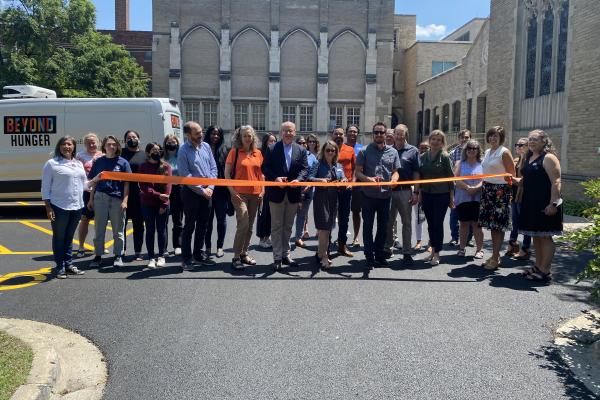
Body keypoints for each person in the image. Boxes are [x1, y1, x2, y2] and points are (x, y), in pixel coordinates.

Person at [262, 121, 309, 271]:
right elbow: (265, 167)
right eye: (285, 131)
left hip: (293, 194)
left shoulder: (301, 150)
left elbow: (305, 169)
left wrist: (299, 180)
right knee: (276, 226)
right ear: (281, 132)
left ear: (295, 132)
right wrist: (275, 178)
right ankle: (277, 257)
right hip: (276, 194)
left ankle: (285, 254)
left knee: (288, 226)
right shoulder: (271, 148)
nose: (288, 133)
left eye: (291, 131)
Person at [518, 129, 563, 281]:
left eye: (535, 139)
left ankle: (545, 270)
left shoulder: (549, 157)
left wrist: (553, 204)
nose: (531, 142)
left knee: (545, 237)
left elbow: (556, 181)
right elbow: (530, 179)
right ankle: (538, 265)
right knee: (536, 236)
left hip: (546, 203)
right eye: (530, 139)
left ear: (544, 141)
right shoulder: (530, 156)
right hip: (531, 202)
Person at [355, 122, 401, 270]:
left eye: (382, 132)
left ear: (386, 134)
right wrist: (368, 179)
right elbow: (358, 172)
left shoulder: (393, 152)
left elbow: (395, 171)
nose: (379, 135)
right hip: (368, 195)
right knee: (368, 226)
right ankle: (369, 256)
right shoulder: (364, 151)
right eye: (376, 132)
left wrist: (395, 179)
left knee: (383, 227)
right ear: (373, 134)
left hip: (385, 196)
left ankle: (379, 255)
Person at [42, 136, 88, 278]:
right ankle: (60, 266)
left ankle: (69, 264)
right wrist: (48, 207)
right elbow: (45, 187)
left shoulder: (78, 164)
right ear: (59, 147)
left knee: (69, 237)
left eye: (69, 144)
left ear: (74, 147)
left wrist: (98, 178)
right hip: (59, 206)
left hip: (77, 205)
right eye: (63, 144)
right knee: (59, 237)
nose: (66, 147)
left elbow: (85, 185)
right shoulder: (52, 163)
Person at [177, 121, 217, 270]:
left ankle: (198, 254)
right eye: (197, 133)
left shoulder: (206, 146)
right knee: (189, 226)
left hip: (208, 192)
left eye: (201, 131)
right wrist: (202, 190)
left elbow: (213, 168)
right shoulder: (183, 150)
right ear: (188, 135)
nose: (201, 135)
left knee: (203, 225)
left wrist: (211, 188)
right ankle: (186, 259)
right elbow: (185, 175)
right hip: (191, 193)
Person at [88, 135, 131, 268]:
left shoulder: (123, 162)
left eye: (114, 144)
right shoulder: (98, 162)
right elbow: (94, 182)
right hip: (100, 197)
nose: (111, 147)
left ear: (118, 146)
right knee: (99, 229)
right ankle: (98, 255)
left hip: (117, 199)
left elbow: (126, 184)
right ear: (104, 146)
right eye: (108, 144)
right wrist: (91, 199)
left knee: (118, 230)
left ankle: (118, 255)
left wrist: (125, 201)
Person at [225, 125, 265, 270]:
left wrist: (262, 190)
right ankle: (236, 257)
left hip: (255, 194)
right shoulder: (234, 152)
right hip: (239, 194)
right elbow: (227, 174)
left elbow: (261, 174)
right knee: (243, 224)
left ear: (253, 136)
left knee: (250, 225)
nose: (247, 138)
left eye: (250, 135)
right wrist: (231, 191)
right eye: (244, 136)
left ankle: (244, 253)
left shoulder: (258, 153)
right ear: (239, 137)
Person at [478, 126, 515, 270]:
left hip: (500, 192)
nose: (493, 138)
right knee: (492, 226)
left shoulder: (504, 152)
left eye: (496, 136)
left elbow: (511, 175)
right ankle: (495, 256)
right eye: (491, 135)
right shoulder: (487, 152)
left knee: (498, 226)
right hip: (488, 190)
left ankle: (495, 257)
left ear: (501, 138)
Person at [384, 124, 420, 265]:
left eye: (401, 134)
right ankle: (388, 248)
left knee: (406, 223)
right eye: (396, 134)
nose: (398, 136)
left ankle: (406, 252)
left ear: (406, 134)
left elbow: (417, 172)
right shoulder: (388, 150)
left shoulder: (413, 150)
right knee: (389, 221)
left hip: (405, 191)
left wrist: (416, 192)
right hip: (389, 191)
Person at [418, 130, 454, 266]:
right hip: (427, 194)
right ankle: (432, 251)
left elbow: (451, 179)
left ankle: (437, 253)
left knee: (438, 224)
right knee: (430, 224)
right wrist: (420, 194)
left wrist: (451, 198)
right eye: (433, 139)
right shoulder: (423, 156)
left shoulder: (445, 157)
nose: (435, 142)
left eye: (439, 140)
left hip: (441, 195)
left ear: (442, 142)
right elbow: (420, 178)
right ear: (429, 140)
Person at [309, 140, 346, 269]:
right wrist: (320, 180)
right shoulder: (318, 164)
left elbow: (343, 178)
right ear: (323, 151)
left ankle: (320, 252)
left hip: (333, 200)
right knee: (324, 229)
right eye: (328, 150)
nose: (330, 152)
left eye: (333, 150)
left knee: (328, 228)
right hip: (321, 199)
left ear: (336, 152)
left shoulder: (338, 165)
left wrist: (344, 181)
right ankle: (324, 256)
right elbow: (310, 178)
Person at [139, 143, 172, 269]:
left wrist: (164, 202)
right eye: (153, 150)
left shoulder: (166, 166)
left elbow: (168, 186)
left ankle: (161, 256)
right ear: (148, 152)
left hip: (163, 204)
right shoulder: (143, 166)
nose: (156, 152)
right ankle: (151, 257)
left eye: (158, 150)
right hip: (147, 203)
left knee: (162, 230)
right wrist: (158, 195)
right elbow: (143, 186)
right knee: (150, 230)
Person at [453, 140, 484, 259]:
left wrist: (475, 188)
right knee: (464, 224)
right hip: (463, 198)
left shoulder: (482, 164)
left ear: (478, 150)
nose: (471, 150)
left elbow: (485, 179)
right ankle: (462, 248)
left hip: (478, 198)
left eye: (474, 148)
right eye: (469, 148)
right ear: (466, 150)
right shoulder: (459, 163)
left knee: (477, 225)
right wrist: (467, 188)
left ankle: (479, 250)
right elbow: (456, 179)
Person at [75, 133, 103, 257]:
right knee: (85, 219)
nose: (92, 145)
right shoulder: (80, 156)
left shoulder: (103, 155)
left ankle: (99, 245)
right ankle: (81, 246)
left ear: (98, 143)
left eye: (94, 142)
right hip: (86, 191)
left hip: (101, 190)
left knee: (100, 220)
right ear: (85, 144)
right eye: (89, 143)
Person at [204, 126, 229, 259]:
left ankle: (220, 246)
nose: (215, 136)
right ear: (208, 134)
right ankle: (207, 247)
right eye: (213, 134)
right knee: (207, 221)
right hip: (206, 189)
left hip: (221, 190)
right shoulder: (202, 148)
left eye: (218, 134)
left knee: (221, 220)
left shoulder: (225, 149)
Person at [121, 130, 146, 261]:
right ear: (125, 141)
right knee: (121, 224)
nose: (132, 139)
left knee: (138, 225)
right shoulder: (120, 154)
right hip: (122, 194)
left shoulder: (144, 155)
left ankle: (138, 251)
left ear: (139, 139)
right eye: (129, 137)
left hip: (139, 195)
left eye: (134, 137)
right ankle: (122, 250)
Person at [332, 127, 356, 257]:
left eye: (341, 134)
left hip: (345, 190)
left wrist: (352, 183)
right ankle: (326, 246)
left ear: (344, 136)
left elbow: (355, 170)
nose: (338, 136)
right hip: (330, 190)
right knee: (329, 218)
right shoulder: (328, 148)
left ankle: (342, 245)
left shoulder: (350, 149)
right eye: (336, 133)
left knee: (344, 218)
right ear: (332, 135)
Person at [507, 137, 532, 260]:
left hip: (525, 196)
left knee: (525, 223)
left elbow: (525, 180)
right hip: (514, 195)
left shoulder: (530, 161)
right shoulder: (515, 159)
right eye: (517, 145)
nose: (519, 147)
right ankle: (513, 244)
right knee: (515, 222)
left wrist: (513, 180)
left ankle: (525, 248)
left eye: (522, 145)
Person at [293, 135, 318, 248]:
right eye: (300, 143)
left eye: (304, 143)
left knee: (302, 215)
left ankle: (298, 237)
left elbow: (314, 173)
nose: (303, 145)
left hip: (308, 190)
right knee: (289, 215)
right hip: (294, 190)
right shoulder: (293, 155)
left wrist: (309, 183)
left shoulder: (312, 157)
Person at [448, 129, 472, 246]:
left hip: (471, 188)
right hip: (456, 188)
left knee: (471, 214)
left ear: (470, 139)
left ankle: (469, 238)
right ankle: (454, 237)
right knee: (454, 213)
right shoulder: (453, 153)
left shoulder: (475, 153)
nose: (464, 140)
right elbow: (450, 173)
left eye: (466, 137)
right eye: (462, 137)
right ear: (459, 139)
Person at [163, 134, 183, 255]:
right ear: (165, 144)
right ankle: (163, 248)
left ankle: (178, 245)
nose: (171, 144)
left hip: (178, 190)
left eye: (173, 142)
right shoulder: (161, 157)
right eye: (169, 142)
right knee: (163, 220)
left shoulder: (181, 156)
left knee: (178, 220)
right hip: (164, 191)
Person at [256, 133, 277, 248]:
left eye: (274, 141)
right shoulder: (260, 154)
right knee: (262, 213)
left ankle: (267, 237)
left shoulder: (276, 155)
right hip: (263, 188)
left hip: (273, 188)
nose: (273, 143)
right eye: (270, 141)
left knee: (270, 214)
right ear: (265, 143)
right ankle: (261, 238)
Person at [346, 124, 363, 247]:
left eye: (355, 132)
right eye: (350, 131)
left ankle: (356, 237)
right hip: (343, 184)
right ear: (347, 133)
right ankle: (342, 236)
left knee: (356, 212)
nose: (352, 133)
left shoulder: (362, 149)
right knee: (342, 212)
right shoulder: (341, 147)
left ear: (358, 134)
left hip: (358, 185)